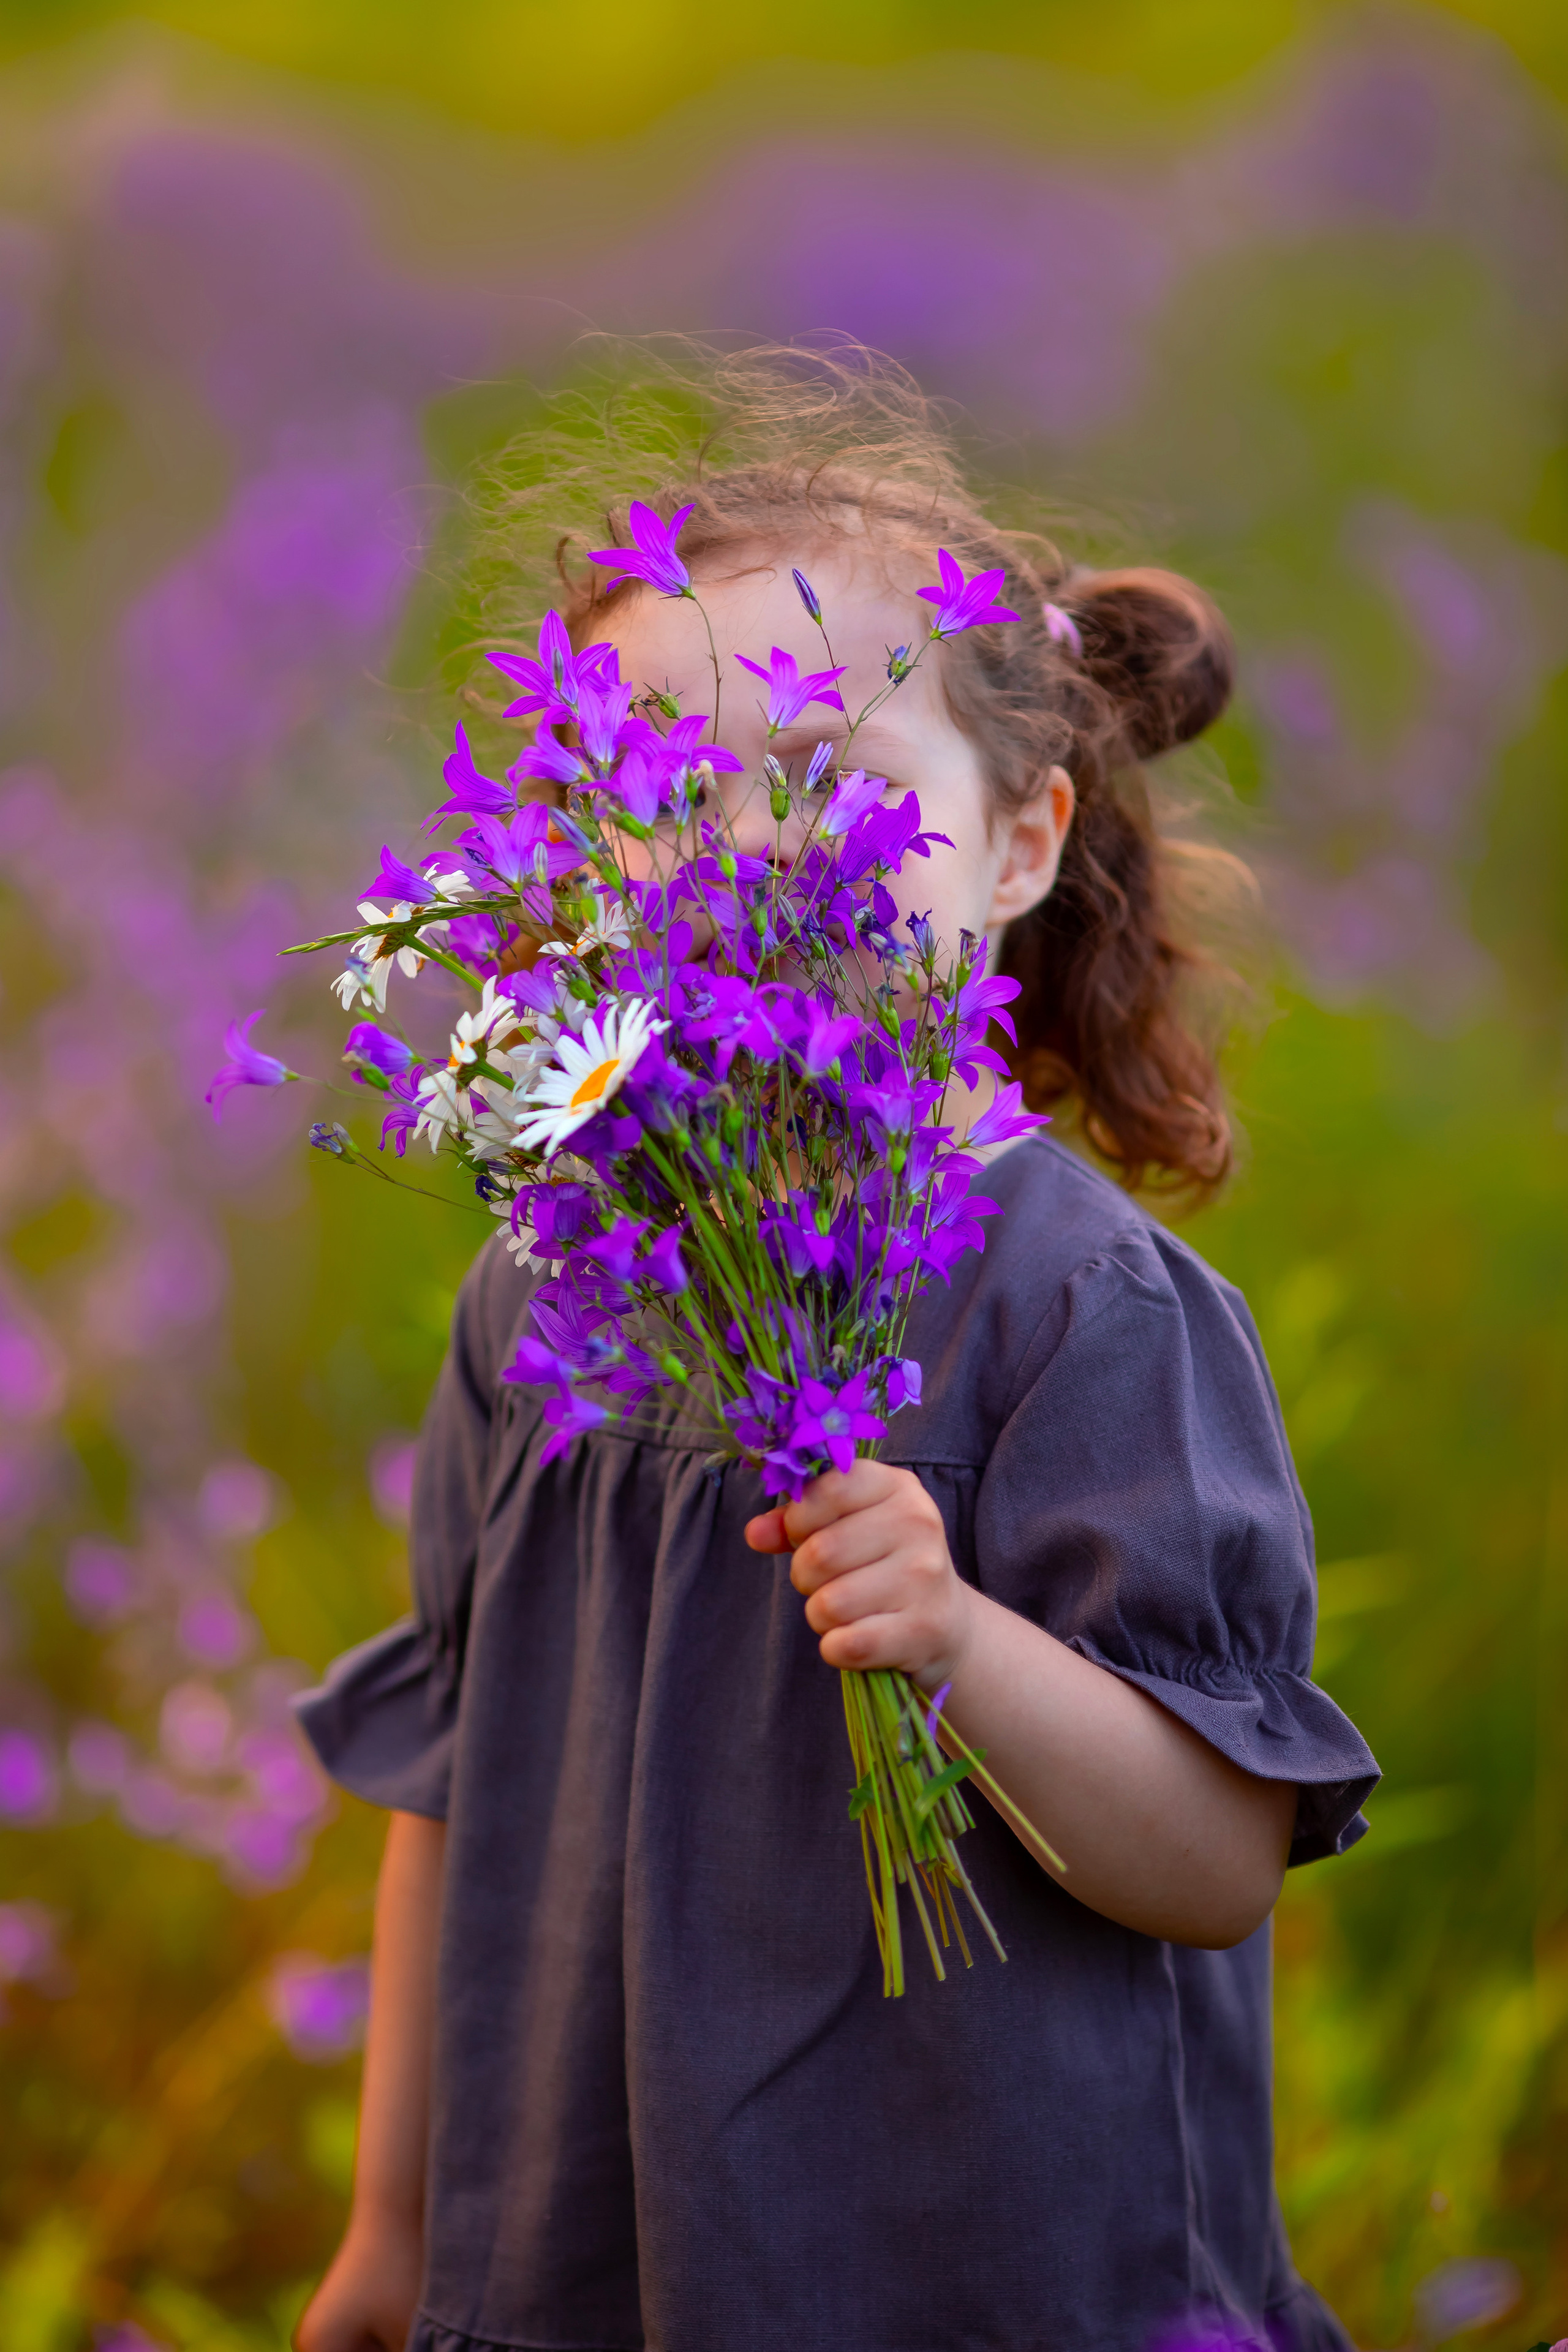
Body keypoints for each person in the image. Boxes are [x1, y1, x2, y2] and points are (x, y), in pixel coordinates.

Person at [292, 347, 1378, 2352]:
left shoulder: (1081, 1309)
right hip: (596, 2262)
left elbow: (1217, 1862)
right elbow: (449, 1788)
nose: (755, 854)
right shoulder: (541, 1295)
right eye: (666, 797)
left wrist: (963, 1645)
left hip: (983, 2263)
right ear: (571, 855)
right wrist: (390, 2226)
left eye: (839, 790)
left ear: (1023, 844)